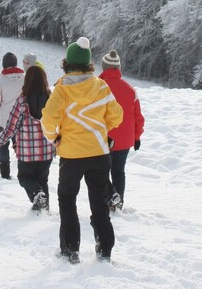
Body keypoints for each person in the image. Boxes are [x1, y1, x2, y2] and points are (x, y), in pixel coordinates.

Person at [41, 37, 123, 264]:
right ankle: (104, 250)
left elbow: (48, 118)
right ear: (88, 63)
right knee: (99, 202)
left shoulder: (62, 88)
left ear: (67, 62)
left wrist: (54, 138)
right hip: (98, 152)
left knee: (67, 200)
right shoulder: (101, 86)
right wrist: (101, 129)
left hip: (71, 154)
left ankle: (70, 249)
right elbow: (117, 116)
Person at [0, 66, 56, 213]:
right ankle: (44, 210)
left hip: (27, 153)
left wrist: (1, 140)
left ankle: (37, 195)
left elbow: (12, 125)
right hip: (47, 150)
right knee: (43, 180)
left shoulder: (22, 102)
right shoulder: (51, 100)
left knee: (24, 178)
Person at [99, 50, 145, 212]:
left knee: (100, 172)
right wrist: (137, 137)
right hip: (125, 140)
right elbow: (138, 117)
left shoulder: (98, 87)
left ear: (103, 67)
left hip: (102, 139)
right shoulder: (130, 90)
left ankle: (109, 198)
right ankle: (118, 202)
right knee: (119, 172)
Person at [0, 52, 25, 179]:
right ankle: (23, 170)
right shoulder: (25, 78)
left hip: (4, 119)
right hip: (21, 118)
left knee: (2, 144)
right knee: (20, 145)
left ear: (3, 64)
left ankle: (5, 172)